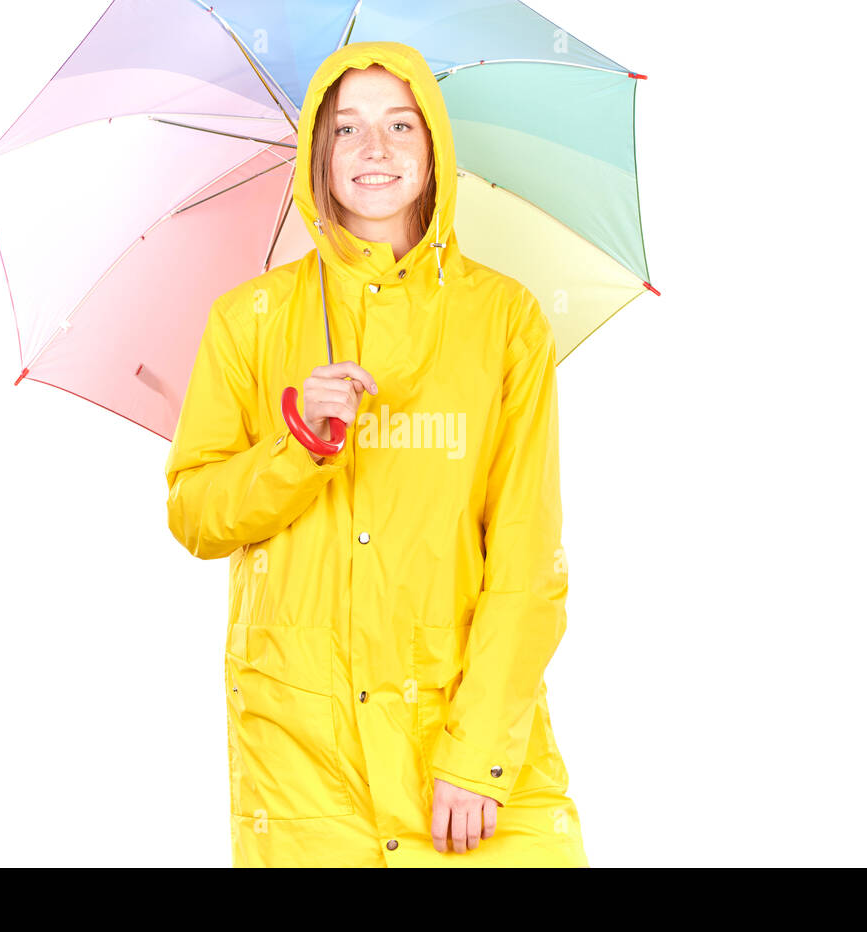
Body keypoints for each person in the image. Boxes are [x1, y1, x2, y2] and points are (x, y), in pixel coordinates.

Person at [164, 40, 588, 867]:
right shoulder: (246, 320)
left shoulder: (506, 322)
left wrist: (479, 756)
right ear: (317, 155)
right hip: (303, 757)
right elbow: (196, 515)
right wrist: (297, 446)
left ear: (434, 150)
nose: (376, 149)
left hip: (460, 738)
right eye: (348, 128)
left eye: (401, 124)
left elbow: (528, 559)